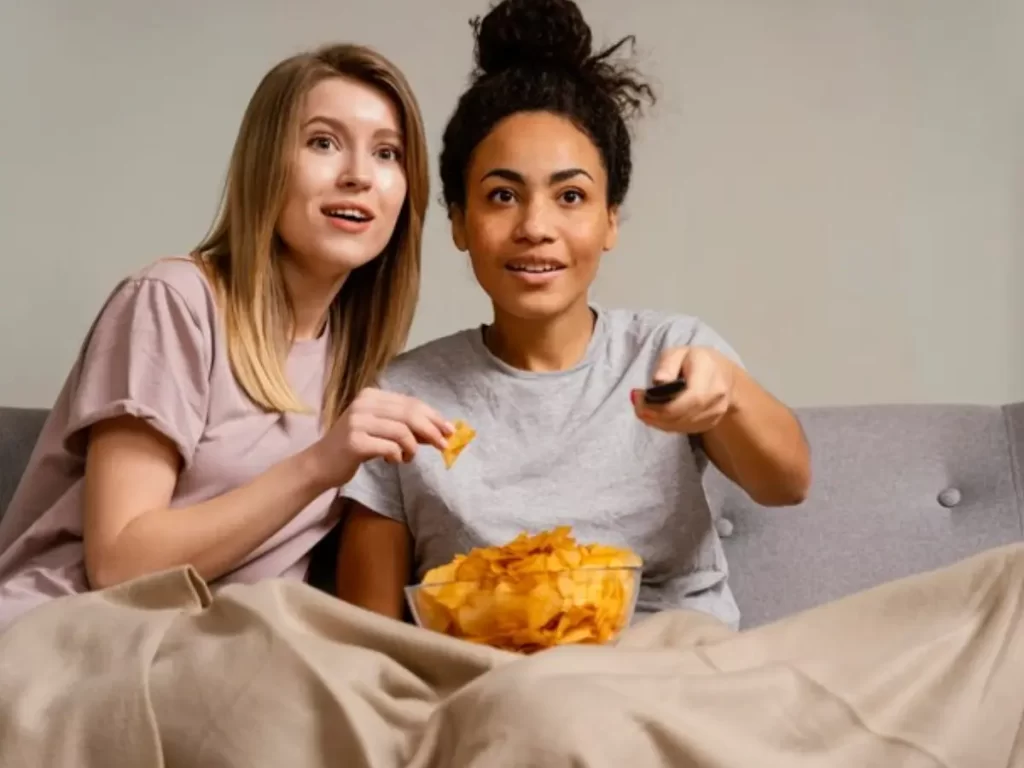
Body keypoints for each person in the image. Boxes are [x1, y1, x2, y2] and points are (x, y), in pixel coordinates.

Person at [335, 0, 811, 629]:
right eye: (502, 196)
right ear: (458, 222)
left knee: (988, 592)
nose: (536, 227)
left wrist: (728, 393)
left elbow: (788, 483)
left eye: (571, 196)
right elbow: (366, 639)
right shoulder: (403, 398)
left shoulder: (671, 354)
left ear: (610, 219)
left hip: (674, 670)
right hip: (494, 686)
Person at [0, 43, 453, 631]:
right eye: (323, 142)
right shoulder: (172, 302)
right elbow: (119, 562)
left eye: (387, 153)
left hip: (223, 655)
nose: (359, 176)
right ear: (267, 164)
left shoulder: (356, 366)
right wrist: (319, 466)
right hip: (75, 639)